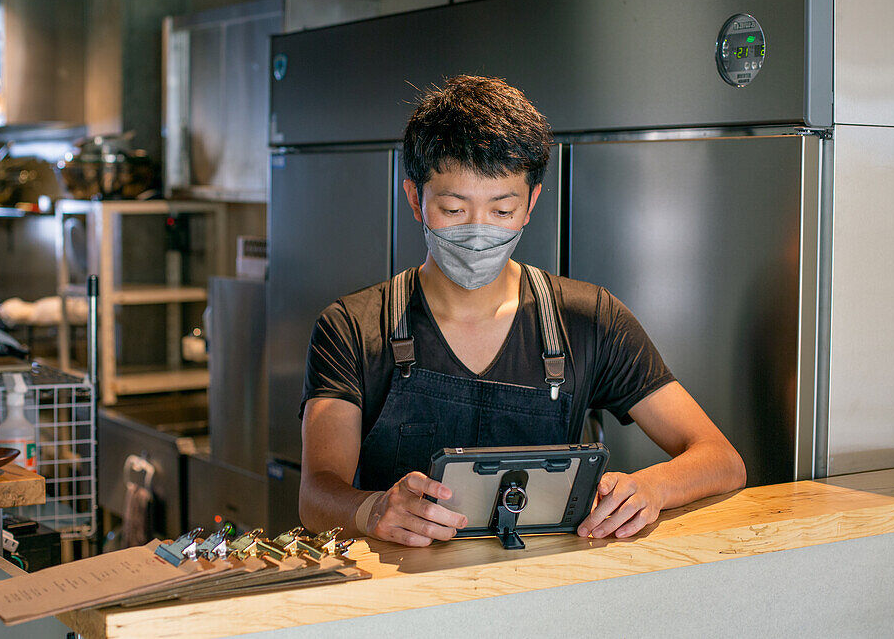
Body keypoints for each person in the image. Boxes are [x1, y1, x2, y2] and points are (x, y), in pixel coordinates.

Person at [298, 75, 746, 547]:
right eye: (453, 209)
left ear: (530, 203)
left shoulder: (590, 319)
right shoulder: (351, 326)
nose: (478, 231)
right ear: (415, 200)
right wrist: (371, 510)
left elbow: (721, 459)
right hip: (403, 599)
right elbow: (316, 496)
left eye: (502, 210)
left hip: (543, 596)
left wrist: (651, 488)